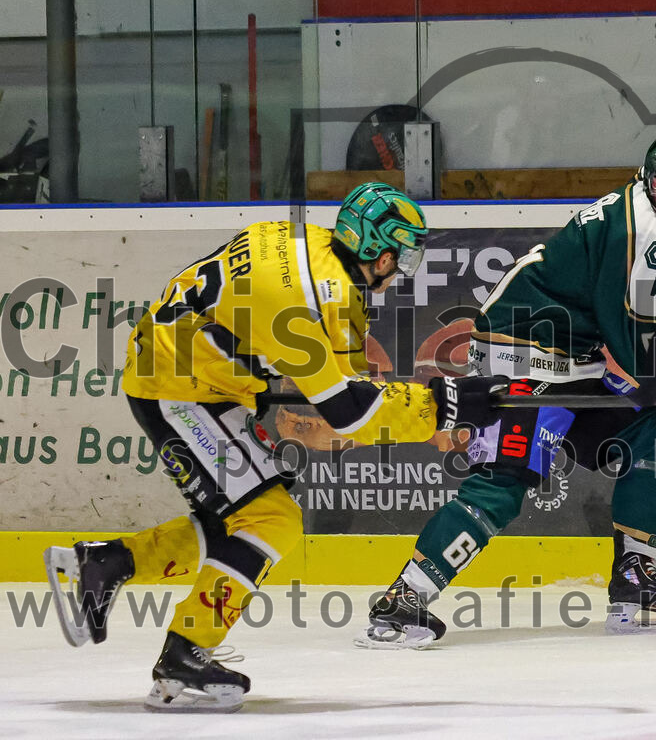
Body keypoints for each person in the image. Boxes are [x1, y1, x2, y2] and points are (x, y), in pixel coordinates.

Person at [43, 182, 505, 711]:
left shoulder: (305, 244)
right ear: (380, 252)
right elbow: (348, 413)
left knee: (248, 514)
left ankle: (103, 566)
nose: (401, 268)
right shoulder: (312, 301)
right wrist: (439, 404)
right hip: (176, 386)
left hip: (196, 374)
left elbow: (347, 396)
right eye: (403, 255)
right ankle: (184, 656)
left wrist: (430, 412)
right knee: (270, 520)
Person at [358, 133, 656, 648]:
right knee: (503, 482)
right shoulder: (647, 245)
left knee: (651, 437)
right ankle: (402, 602)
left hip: (572, 358)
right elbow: (638, 364)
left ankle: (635, 582)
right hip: (521, 357)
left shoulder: (653, 203)